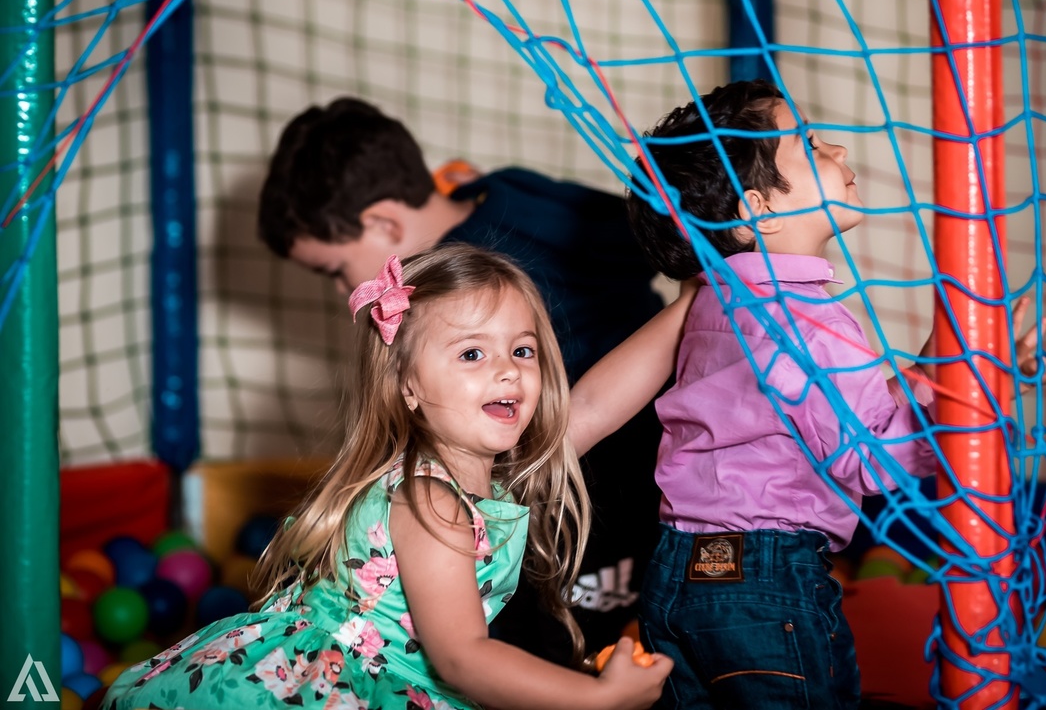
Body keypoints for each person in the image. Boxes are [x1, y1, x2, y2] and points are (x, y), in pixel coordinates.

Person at [624, 80, 1046, 710]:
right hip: (769, 578)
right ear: (759, 209)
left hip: (680, 574)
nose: (833, 145)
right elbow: (871, 458)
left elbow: (832, 418)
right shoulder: (813, 320)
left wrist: (939, 368)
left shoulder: (721, 303)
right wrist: (977, 392)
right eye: (806, 142)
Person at [104, 244, 690, 710]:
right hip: (333, 685)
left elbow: (592, 407)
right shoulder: (430, 500)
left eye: (522, 350)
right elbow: (463, 658)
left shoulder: (495, 481)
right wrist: (594, 697)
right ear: (407, 386)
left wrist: (692, 303)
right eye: (471, 355)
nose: (507, 372)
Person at [257, 97, 665, 662]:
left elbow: (580, 409)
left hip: (578, 464)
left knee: (545, 623)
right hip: (644, 439)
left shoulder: (462, 289)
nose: (339, 289)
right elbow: (631, 229)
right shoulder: (509, 193)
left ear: (384, 222)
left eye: (334, 269)